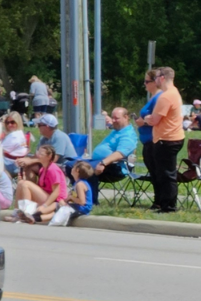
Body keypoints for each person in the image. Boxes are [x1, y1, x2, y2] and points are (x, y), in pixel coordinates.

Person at [136, 66, 185, 213]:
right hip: (173, 137)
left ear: (162, 78)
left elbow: (154, 120)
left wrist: (148, 118)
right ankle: (166, 204)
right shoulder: (174, 92)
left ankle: (168, 206)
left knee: (166, 174)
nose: (155, 79)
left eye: (156, 77)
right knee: (165, 173)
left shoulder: (165, 96)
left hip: (167, 139)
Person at [72, 107, 138, 193]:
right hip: (100, 162)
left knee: (84, 168)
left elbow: (120, 154)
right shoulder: (116, 131)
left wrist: (103, 163)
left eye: (116, 118)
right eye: (112, 118)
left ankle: (90, 199)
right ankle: (77, 194)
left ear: (126, 117)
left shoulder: (128, 134)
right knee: (70, 165)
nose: (113, 120)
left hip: (115, 167)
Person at [10, 147, 67, 223]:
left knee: (26, 184)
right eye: (38, 153)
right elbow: (40, 188)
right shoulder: (43, 169)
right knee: (21, 183)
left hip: (55, 202)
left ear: (49, 156)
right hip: (47, 197)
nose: (38, 155)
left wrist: (44, 206)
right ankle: (16, 214)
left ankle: (27, 213)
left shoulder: (52, 169)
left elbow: (56, 192)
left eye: (41, 154)